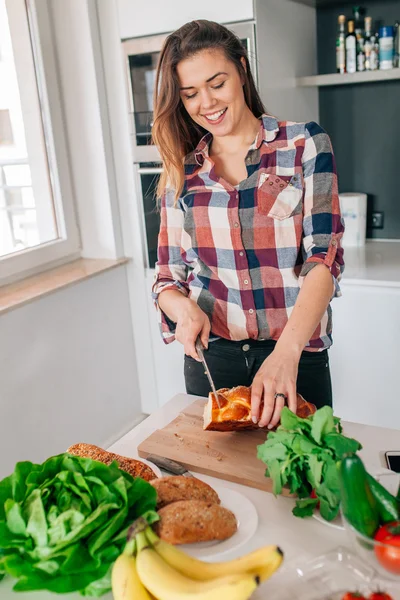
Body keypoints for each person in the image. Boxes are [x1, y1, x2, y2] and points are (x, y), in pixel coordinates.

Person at [151, 20, 344, 429]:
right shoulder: (181, 172)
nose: (207, 102)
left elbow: (323, 261)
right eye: (190, 94)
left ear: (241, 69)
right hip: (213, 360)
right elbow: (167, 280)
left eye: (217, 83)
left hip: (294, 355)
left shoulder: (304, 145)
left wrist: (286, 353)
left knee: (305, 486)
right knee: (218, 488)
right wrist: (182, 308)